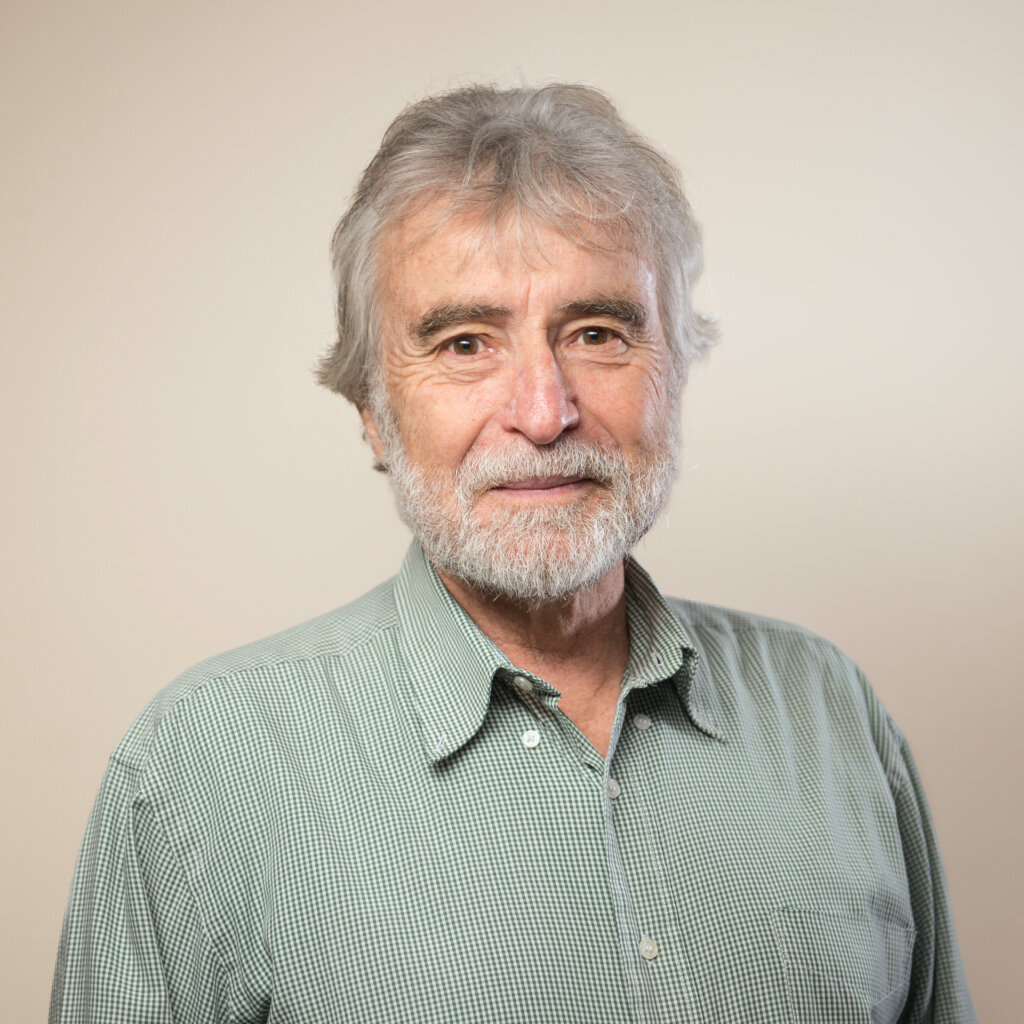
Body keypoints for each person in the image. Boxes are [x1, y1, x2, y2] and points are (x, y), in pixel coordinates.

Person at [50, 83, 976, 1023]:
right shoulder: (198, 770)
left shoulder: (828, 711)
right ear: (371, 409)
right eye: (465, 343)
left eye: (597, 334)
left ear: (676, 372)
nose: (544, 412)